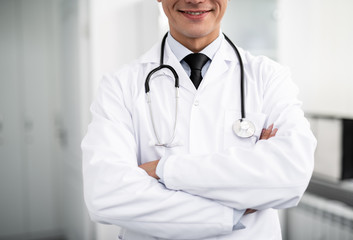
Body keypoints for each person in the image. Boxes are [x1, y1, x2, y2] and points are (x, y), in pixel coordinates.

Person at [81, 0, 316, 239]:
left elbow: (290, 177)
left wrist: (163, 170)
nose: (195, 0)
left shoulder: (269, 77)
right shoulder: (120, 85)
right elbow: (106, 195)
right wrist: (231, 212)